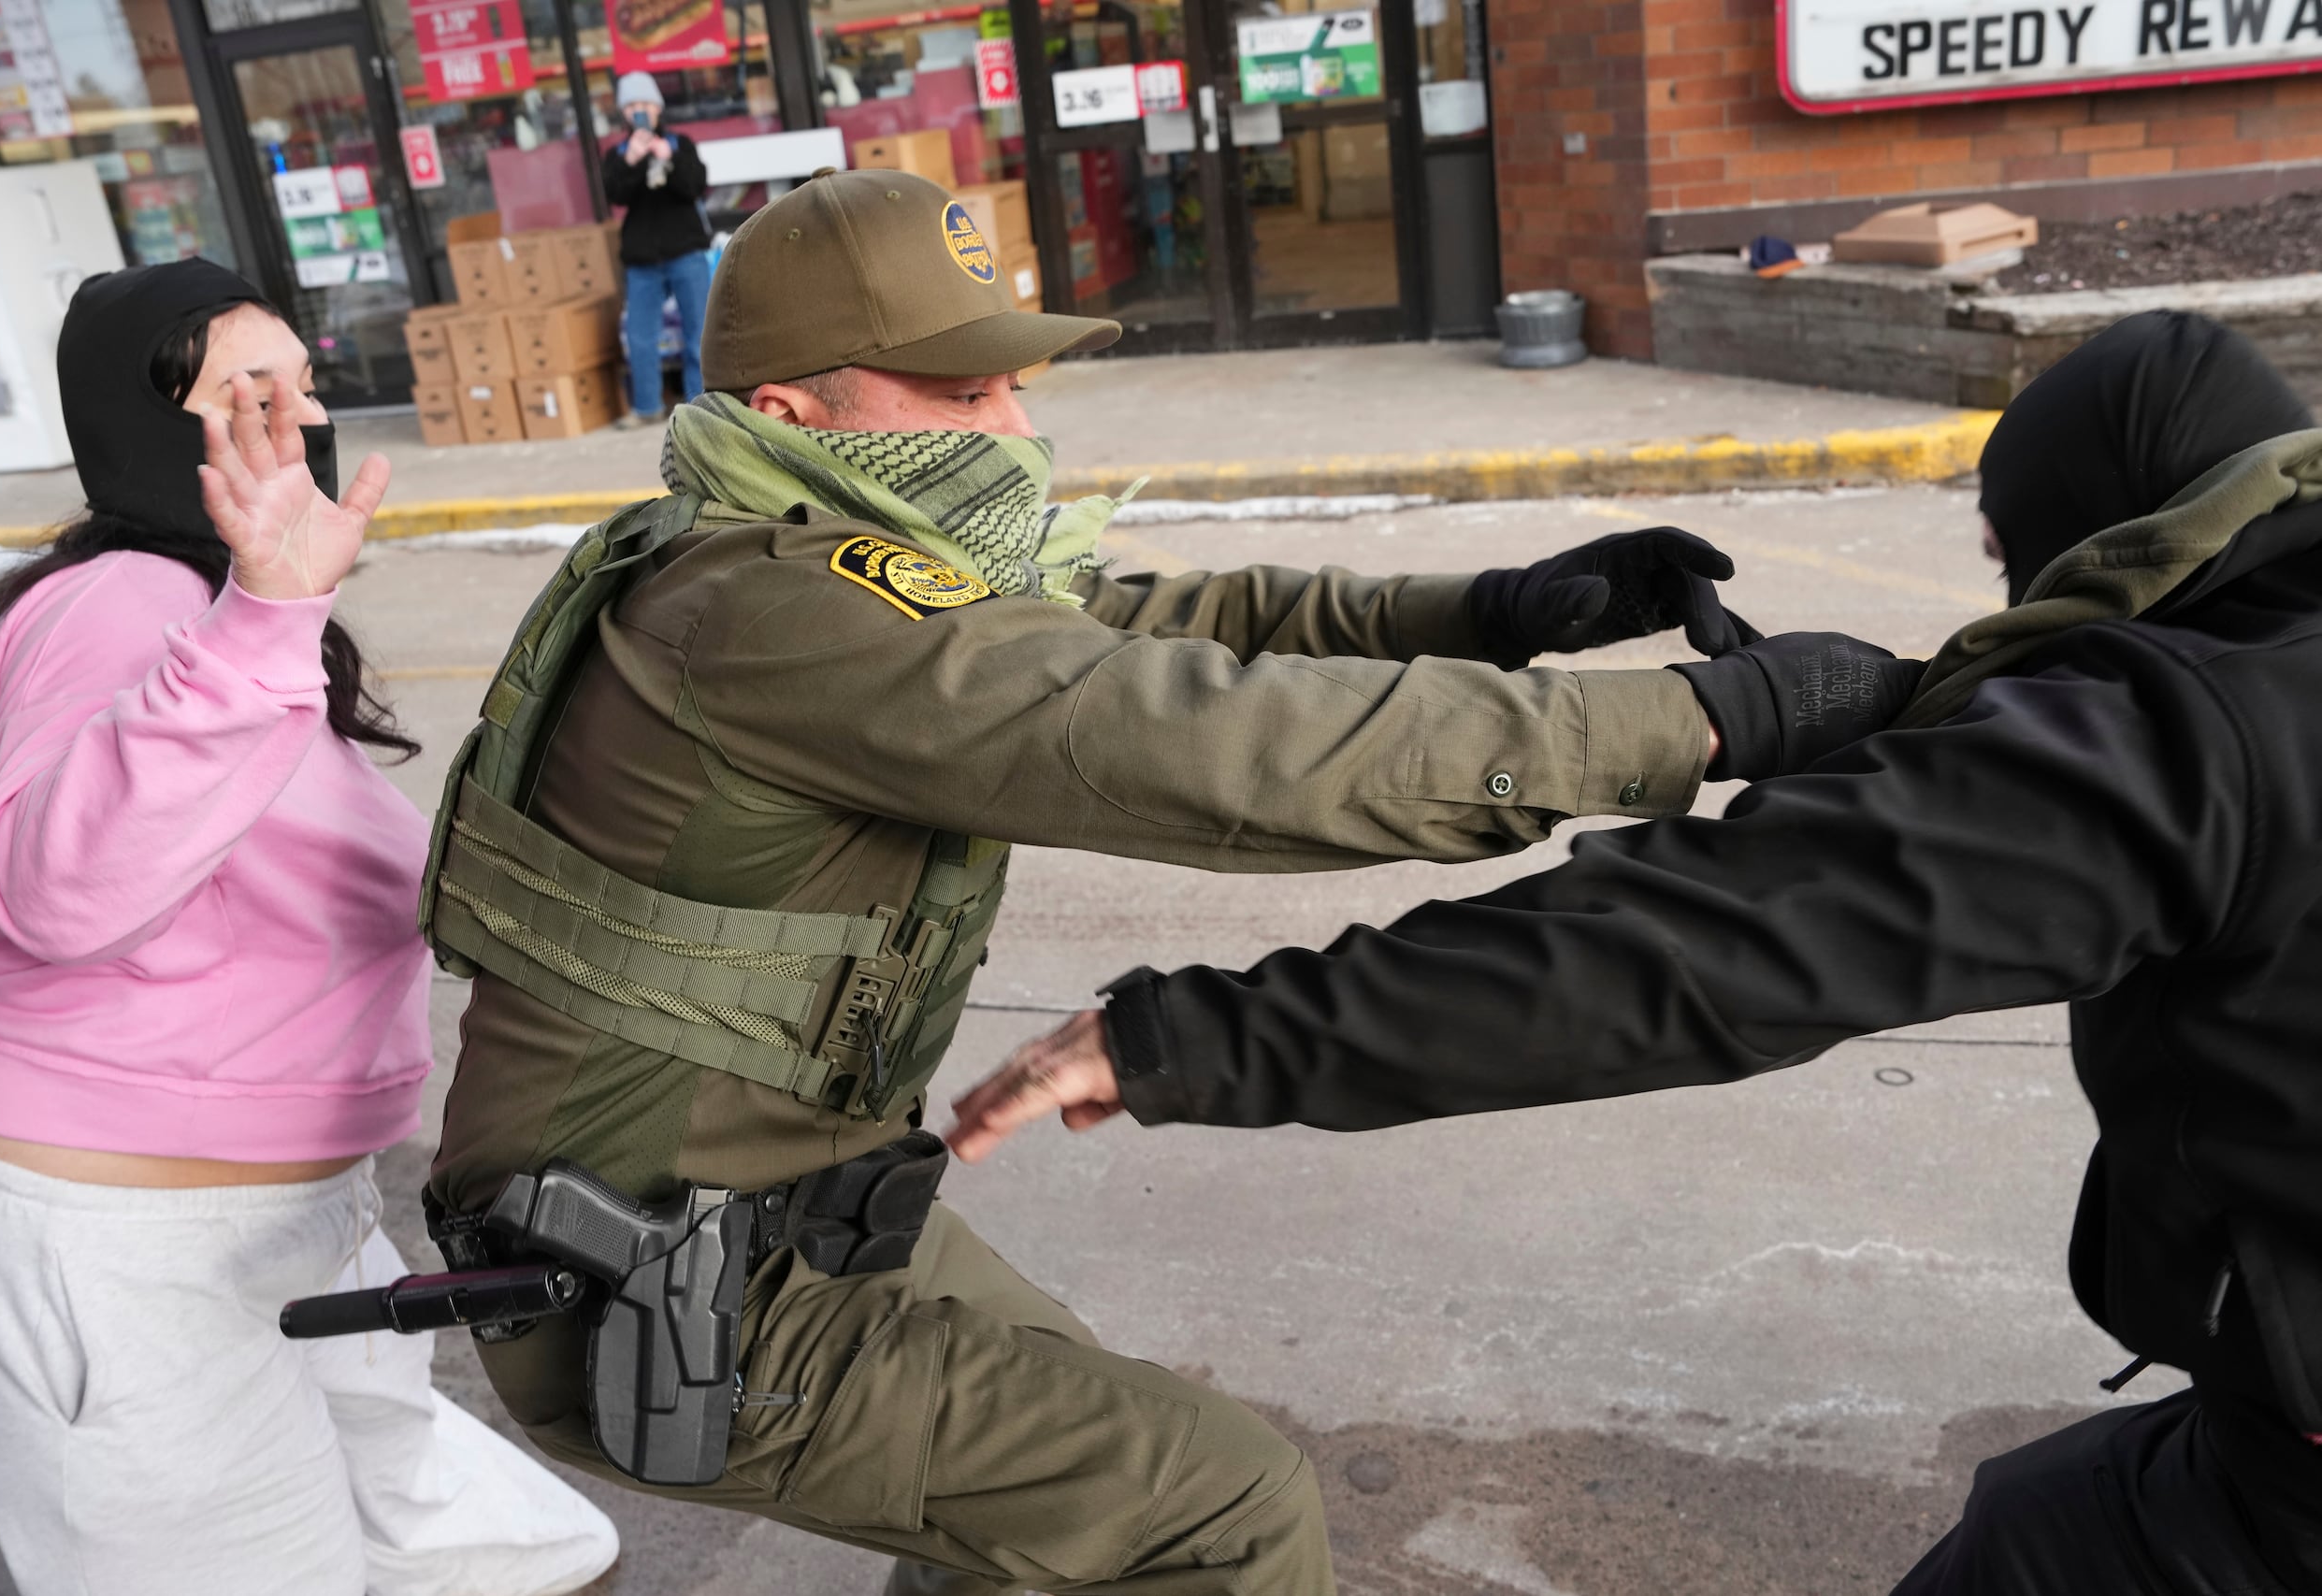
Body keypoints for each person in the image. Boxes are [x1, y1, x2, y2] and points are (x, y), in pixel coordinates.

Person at [418, 167, 1916, 1595]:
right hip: (650, 1274)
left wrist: (1494, 610)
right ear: (790, 411)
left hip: (783, 1207)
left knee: (1060, 1518)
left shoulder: (794, 542)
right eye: (957, 392)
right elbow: (1201, 736)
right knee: (1222, 1508)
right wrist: (1698, 722)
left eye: (1010, 384)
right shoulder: (783, 610)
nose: (1008, 426)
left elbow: (1169, 618)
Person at [948, 311, 2322, 1596]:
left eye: (2011, 551)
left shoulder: (2196, 734)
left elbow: (1700, 943)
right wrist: (1510, 611)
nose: (1015, 422)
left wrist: (1192, 1037)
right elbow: (1179, 624)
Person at [0, 261, 619, 1596]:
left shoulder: (224, 615)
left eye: (304, 388)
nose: (301, 424)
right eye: (248, 396)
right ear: (148, 426)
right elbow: (60, 886)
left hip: (278, 1216)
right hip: (111, 1243)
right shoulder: (121, 601)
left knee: (532, 1552)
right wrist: (268, 616)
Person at [604, 69, 713, 426]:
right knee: (640, 337)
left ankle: (701, 407)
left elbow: (695, 186)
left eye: (645, 103)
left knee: (699, 332)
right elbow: (615, 193)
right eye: (632, 104)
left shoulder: (681, 144)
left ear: (658, 107)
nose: (640, 110)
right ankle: (646, 407)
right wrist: (632, 161)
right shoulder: (619, 154)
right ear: (623, 112)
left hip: (686, 251)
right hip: (642, 259)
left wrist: (669, 158)